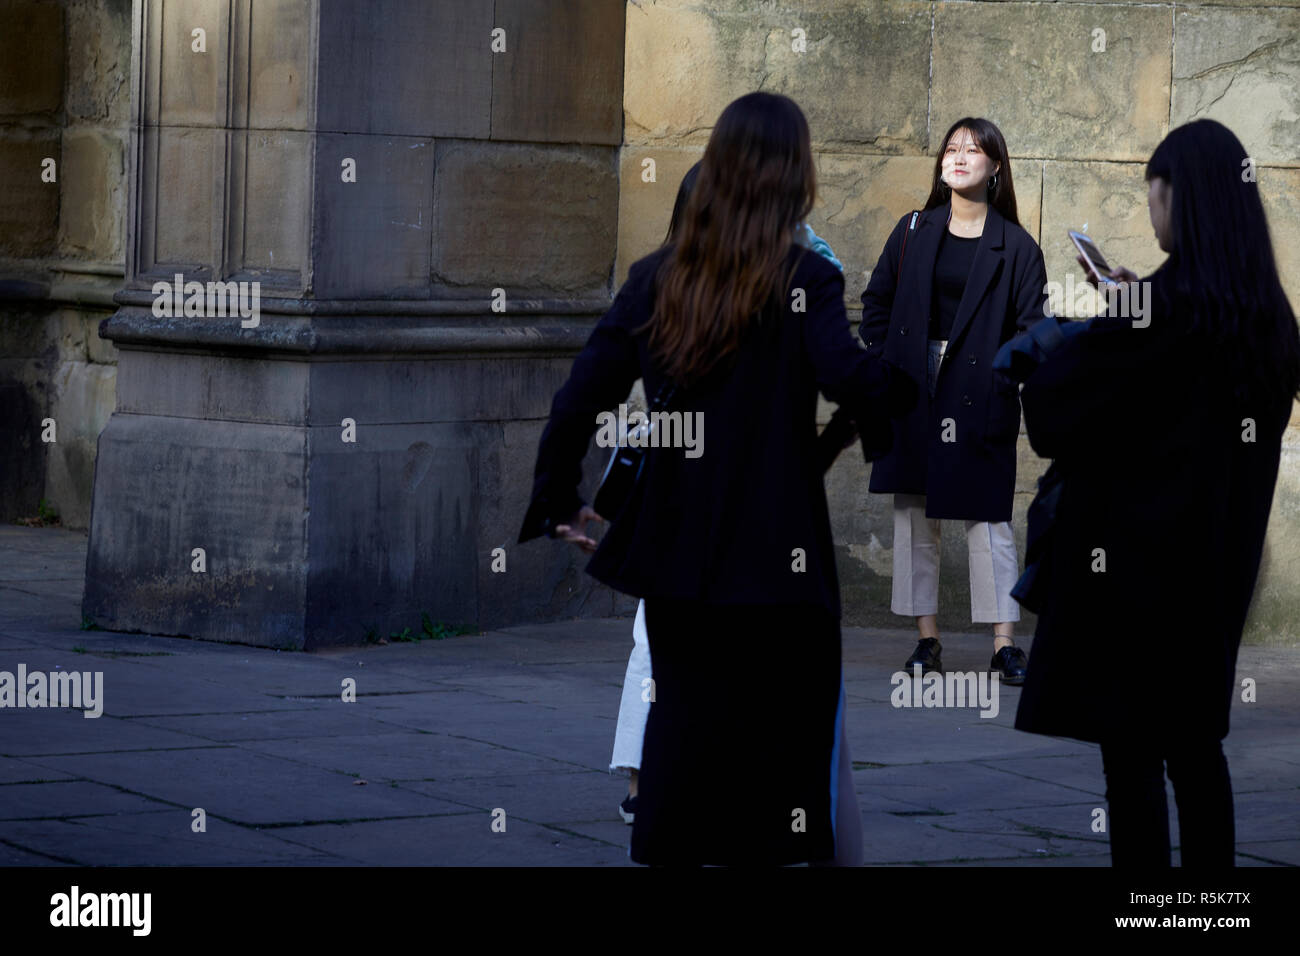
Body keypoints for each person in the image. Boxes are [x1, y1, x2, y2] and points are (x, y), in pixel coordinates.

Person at [519, 91, 915, 865]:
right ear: (792, 175)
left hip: (679, 553)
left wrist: (556, 500)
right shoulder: (807, 277)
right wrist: (888, 396)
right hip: (779, 554)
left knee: (681, 726)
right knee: (776, 746)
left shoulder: (656, 277)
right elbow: (851, 376)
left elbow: (579, 398)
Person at [1006, 119, 1300, 867]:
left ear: (1182, 196)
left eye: (1155, 192)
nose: (1151, 209)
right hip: (1213, 567)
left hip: (1133, 568)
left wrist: (1082, 334)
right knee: (1198, 754)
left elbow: (1063, 406)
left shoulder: (1161, 312)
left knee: (1132, 759)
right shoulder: (1266, 317)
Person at [609, 162, 849, 827]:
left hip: (728, 508)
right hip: (704, 502)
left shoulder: (802, 265)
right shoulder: (669, 277)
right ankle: (648, 783)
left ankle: (677, 794)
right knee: (661, 652)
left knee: (692, 659)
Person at [859, 117, 1047, 684]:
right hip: (914, 386)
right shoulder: (914, 229)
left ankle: (1004, 644)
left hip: (978, 389)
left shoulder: (1016, 246)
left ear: (995, 167)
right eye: (951, 147)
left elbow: (1032, 329)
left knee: (988, 519)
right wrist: (887, 361)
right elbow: (876, 306)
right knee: (915, 515)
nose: (958, 155)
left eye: (974, 149)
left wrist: (1001, 378)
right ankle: (927, 639)